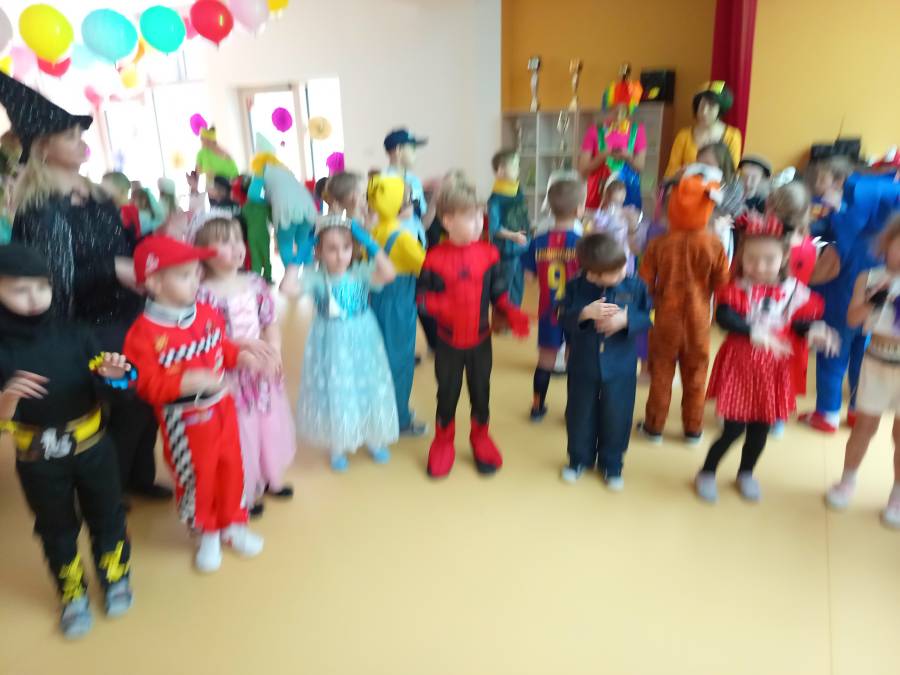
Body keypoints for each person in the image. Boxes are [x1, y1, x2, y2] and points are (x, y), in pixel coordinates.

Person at [0, 72, 170, 504]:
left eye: (80, 134)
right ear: (44, 148)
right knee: (120, 402)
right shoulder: (41, 209)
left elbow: (124, 247)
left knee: (146, 397)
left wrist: (157, 245)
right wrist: (111, 268)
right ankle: (108, 487)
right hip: (86, 325)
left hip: (129, 312)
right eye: (70, 136)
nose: (81, 142)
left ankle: (138, 475)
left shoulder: (97, 196)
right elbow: (53, 280)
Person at [0, 244, 135, 638]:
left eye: (42, 287)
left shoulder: (77, 333)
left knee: (108, 514)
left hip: (93, 448)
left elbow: (114, 392)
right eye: (19, 289)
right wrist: (7, 400)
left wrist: (114, 376)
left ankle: (115, 576)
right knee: (56, 527)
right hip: (38, 458)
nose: (34, 298)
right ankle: (72, 592)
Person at [123, 236, 274, 572]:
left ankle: (233, 523)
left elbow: (221, 347)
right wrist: (183, 382)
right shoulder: (143, 333)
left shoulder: (206, 312)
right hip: (184, 418)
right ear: (154, 282)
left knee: (231, 467)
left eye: (196, 273)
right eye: (184, 275)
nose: (196, 281)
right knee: (197, 476)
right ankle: (207, 532)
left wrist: (240, 357)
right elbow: (143, 384)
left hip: (223, 407)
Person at [700, 213, 835, 503]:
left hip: (773, 371)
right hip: (740, 366)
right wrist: (753, 332)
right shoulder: (737, 287)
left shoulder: (793, 291)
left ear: (784, 257)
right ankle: (707, 472)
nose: (759, 267)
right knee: (733, 428)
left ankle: (746, 473)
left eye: (768, 259)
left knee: (760, 429)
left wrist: (815, 330)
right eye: (751, 259)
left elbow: (799, 323)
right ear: (741, 257)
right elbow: (724, 317)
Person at [416, 174, 530, 478]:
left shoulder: (489, 254)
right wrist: (442, 305)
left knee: (481, 391)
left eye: (480, 216)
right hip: (448, 344)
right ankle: (443, 442)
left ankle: (480, 437)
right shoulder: (433, 259)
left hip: (481, 342)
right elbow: (421, 298)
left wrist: (509, 310)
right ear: (448, 220)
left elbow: (498, 289)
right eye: (470, 217)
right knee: (447, 393)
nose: (480, 223)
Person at [196, 218, 296, 517]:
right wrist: (236, 356)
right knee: (241, 432)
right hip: (230, 375)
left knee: (267, 423)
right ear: (203, 251)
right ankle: (244, 489)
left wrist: (275, 350)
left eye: (238, 239)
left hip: (260, 372)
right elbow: (206, 340)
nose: (236, 247)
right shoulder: (202, 294)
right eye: (224, 242)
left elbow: (269, 321)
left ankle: (269, 476)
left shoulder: (255, 283)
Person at [295, 213, 399, 472]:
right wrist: (301, 254)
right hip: (331, 340)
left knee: (368, 382)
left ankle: (373, 435)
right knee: (338, 386)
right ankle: (339, 442)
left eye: (346, 247)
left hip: (363, 336)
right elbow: (286, 289)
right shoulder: (317, 279)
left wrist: (370, 243)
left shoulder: (360, 273)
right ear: (319, 252)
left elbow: (389, 273)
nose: (340, 255)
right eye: (331, 249)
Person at [638, 164, 731, 444]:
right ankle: (693, 428)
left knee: (661, 372)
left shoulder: (658, 244)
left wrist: (652, 302)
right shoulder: (714, 245)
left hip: (665, 319)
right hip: (699, 321)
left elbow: (643, 284)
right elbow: (723, 284)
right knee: (696, 374)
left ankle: (654, 426)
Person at [801, 173, 900, 434]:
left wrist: (802, 280)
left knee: (832, 358)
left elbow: (825, 270)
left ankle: (828, 413)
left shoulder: (846, 240)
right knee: (859, 359)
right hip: (871, 316)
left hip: (839, 308)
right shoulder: (887, 247)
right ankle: (857, 410)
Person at [560, 233, 652, 489]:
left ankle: (612, 464)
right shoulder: (576, 286)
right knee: (580, 413)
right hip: (583, 364)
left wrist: (626, 320)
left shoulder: (634, 285)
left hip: (621, 367)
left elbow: (649, 315)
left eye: (622, 266)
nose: (622, 272)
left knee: (618, 415)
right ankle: (579, 459)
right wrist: (584, 313)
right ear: (593, 274)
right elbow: (561, 316)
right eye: (614, 272)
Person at [826, 214, 900, 527]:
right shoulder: (869, 277)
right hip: (875, 361)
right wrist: (872, 301)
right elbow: (853, 320)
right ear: (887, 244)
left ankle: (897, 495)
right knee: (864, 427)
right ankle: (847, 481)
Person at [368, 174, 427, 436]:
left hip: (376, 300)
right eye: (408, 199)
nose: (413, 203)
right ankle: (400, 418)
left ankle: (383, 410)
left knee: (381, 359)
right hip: (399, 304)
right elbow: (428, 267)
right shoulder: (402, 238)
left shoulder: (376, 230)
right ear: (398, 206)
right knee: (400, 361)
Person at [522, 177, 585, 421]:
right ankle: (573, 410)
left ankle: (537, 407)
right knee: (575, 361)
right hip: (576, 311)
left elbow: (528, 277)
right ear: (579, 209)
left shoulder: (538, 241)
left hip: (548, 310)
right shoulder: (582, 243)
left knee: (545, 361)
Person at [577, 66, 646, 211]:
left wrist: (628, 157)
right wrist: (601, 156)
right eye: (614, 111)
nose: (618, 116)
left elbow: (640, 167)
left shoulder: (637, 131)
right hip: (598, 195)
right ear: (608, 109)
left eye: (623, 111)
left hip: (628, 194)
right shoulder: (594, 131)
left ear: (629, 111)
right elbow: (582, 170)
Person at [250, 153, 318, 296]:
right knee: (303, 242)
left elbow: (253, 194)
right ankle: (311, 277)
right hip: (307, 205)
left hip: (285, 208)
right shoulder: (285, 171)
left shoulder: (261, 169)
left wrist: (269, 202)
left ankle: (291, 279)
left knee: (286, 244)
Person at [665, 81, 742, 179]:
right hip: (685, 186)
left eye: (711, 107)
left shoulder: (733, 136)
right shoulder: (683, 136)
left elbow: (731, 172)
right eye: (701, 106)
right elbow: (671, 172)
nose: (704, 112)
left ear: (720, 110)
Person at [487, 149, 530, 307]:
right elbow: (494, 228)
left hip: (521, 247)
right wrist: (512, 236)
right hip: (506, 250)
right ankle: (504, 314)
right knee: (506, 286)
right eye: (514, 166)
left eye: (518, 165)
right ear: (501, 170)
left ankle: (514, 312)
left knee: (518, 285)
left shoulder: (517, 190)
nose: (518, 169)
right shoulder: (496, 199)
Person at [696, 142, 744, 262]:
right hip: (698, 231)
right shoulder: (697, 181)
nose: (703, 169)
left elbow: (737, 210)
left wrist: (720, 198)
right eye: (699, 164)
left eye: (708, 164)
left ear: (723, 164)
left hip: (721, 233)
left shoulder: (734, 184)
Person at [384, 128, 433, 246]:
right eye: (412, 149)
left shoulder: (414, 181)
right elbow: (379, 220)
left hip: (417, 243)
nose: (415, 154)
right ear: (398, 150)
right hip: (395, 245)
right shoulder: (382, 181)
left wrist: (436, 197)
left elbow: (422, 221)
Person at [588, 179, 643, 275]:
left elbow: (638, 218)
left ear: (624, 198)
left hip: (624, 253)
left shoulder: (628, 211)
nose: (615, 207)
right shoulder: (602, 215)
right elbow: (594, 228)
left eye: (619, 202)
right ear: (606, 197)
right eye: (613, 203)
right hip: (608, 253)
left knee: (624, 273)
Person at [242, 174, 273, 283]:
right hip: (263, 234)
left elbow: (243, 219)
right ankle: (268, 277)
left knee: (255, 257)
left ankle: (256, 278)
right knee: (266, 256)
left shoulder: (245, 206)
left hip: (251, 234)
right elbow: (272, 219)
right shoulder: (265, 206)